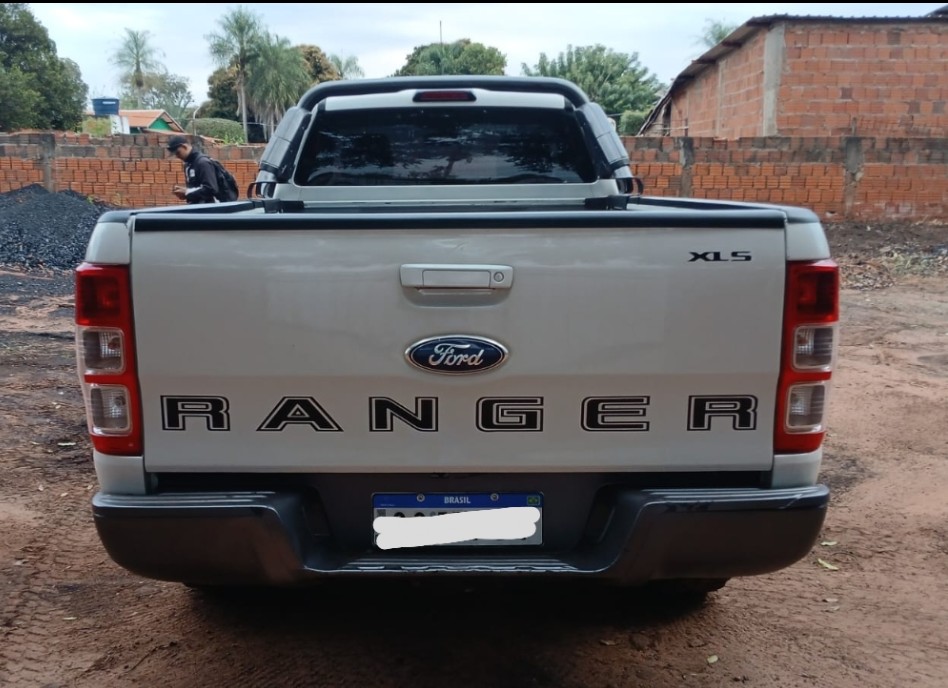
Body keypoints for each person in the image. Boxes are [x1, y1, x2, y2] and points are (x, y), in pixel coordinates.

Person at [167, 135, 219, 204]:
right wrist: (185, 193)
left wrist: (187, 192)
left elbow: (211, 189)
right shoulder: (188, 165)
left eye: (178, 153)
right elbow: (195, 189)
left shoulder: (203, 162)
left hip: (209, 208)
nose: (177, 156)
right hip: (196, 207)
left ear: (184, 146)